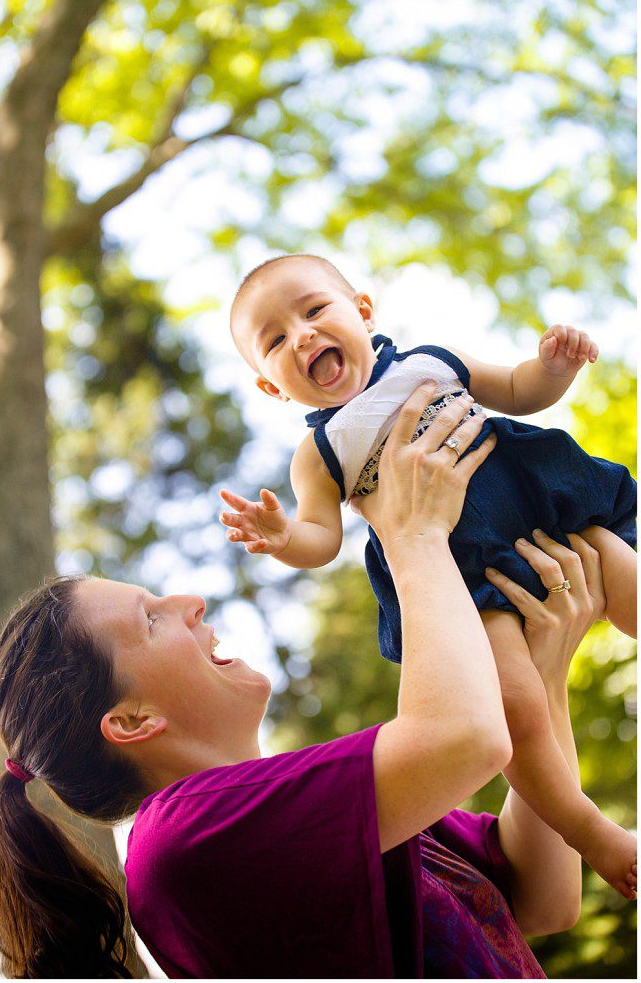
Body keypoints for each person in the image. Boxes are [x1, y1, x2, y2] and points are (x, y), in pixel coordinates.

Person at [0, 389, 630, 978]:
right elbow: (467, 739)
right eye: (151, 619)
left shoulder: (329, 799)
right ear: (130, 721)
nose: (190, 602)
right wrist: (410, 529)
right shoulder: (181, 841)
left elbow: (544, 897)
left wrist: (540, 676)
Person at [223, 252, 637, 896]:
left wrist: (555, 368)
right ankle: (594, 835)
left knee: (624, 571)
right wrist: (282, 539)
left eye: (313, 310)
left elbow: (521, 390)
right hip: (464, 579)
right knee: (515, 706)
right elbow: (320, 538)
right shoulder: (322, 452)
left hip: (539, 506)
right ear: (273, 388)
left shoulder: (432, 362)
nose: (301, 334)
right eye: (275, 341)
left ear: (362, 311)